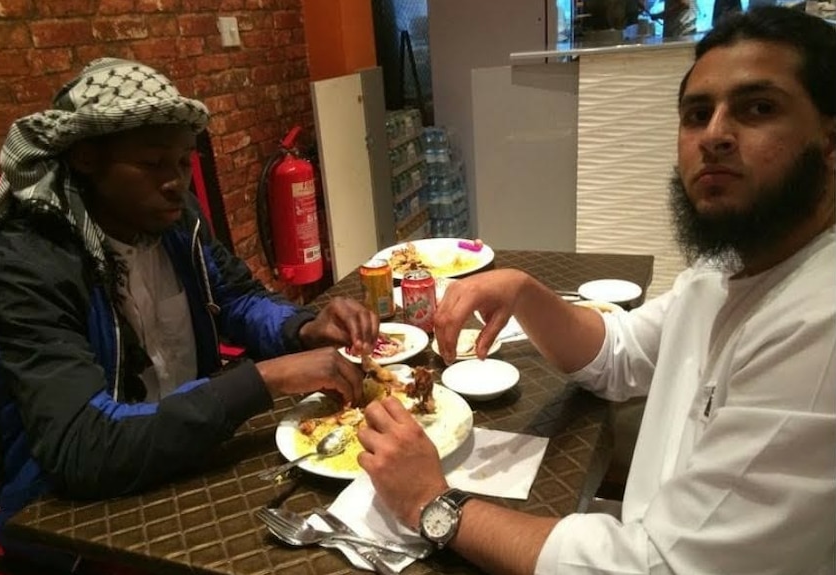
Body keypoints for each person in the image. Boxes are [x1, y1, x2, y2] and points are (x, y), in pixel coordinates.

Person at [356, 7, 835, 575]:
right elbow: (620, 354)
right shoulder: (725, 272)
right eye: (697, 113)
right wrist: (525, 292)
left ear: (830, 140)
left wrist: (431, 503)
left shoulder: (818, 324)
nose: (715, 136)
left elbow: (654, 566)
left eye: (759, 108)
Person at [0, 58, 377, 565]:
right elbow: (82, 447)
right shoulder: (31, 263)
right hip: (74, 515)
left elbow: (236, 298)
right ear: (85, 159)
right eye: (152, 164)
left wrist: (304, 327)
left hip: (191, 450)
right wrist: (265, 379)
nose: (177, 183)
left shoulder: (174, 219)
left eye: (183, 162)